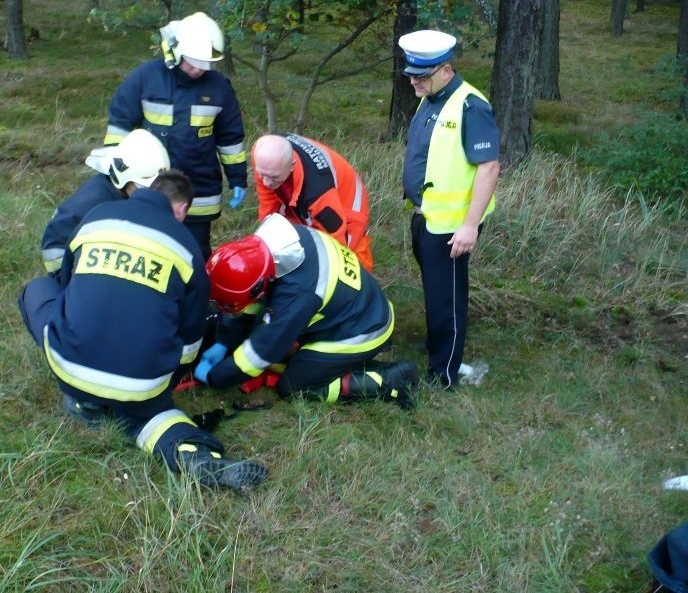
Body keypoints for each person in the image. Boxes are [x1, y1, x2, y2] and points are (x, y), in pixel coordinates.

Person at [17, 133, 267, 492]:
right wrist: (173, 373)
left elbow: (70, 287)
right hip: (141, 382)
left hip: (70, 365)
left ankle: (84, 402)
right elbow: (190, 335)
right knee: (150, 416)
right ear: (180, 209)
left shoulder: (96, 217)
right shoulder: (186, 248)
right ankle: (191, 453)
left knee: (36, 289)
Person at [194, 213, 419, 407]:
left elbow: (259, 353)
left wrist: (217, 377)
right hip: (353, 308)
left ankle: (388, 381)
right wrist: (224, 341)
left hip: (362, 329)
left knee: (295, 385)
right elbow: (253, 303)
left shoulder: (297, 292)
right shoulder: (271, 246)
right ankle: (336, 365)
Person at [398, 29, 501, 389]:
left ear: (446, 69)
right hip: (426, 217)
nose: (413, 81)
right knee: (435, 293)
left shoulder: (471, 105)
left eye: (421, 75)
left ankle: (444, 374)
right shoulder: (430, 99)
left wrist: (470, 225)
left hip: (452, 227)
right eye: (410, 74)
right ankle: (438, 350)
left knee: (448, 300)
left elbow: (488, 167)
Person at [103, 11, 247, 260]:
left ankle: (197, 296)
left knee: (195, 251)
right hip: (151, 182)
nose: (198, 70)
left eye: (205, 64)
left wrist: (238, 179)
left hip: (200, 186)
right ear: (175, 51)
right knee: (150, 246)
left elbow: (230, 138)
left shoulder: (218, 87)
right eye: (193, 62)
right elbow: (120, 127)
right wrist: (114, 174)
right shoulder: (145, 78)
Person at [40, 130, 170, 281]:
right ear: (122, 178)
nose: (151, 194)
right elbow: (54, 247)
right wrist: (69, 281)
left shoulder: (125, 196)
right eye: (144, 188)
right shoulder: (87, 205)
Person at [252, 133, 374, 271]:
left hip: (348, 206)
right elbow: (268, 200)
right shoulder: (264, 156)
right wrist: (265, 235)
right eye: (262, 174)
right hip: (312, 192)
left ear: (291, 166)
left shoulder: (318, 193)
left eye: (273, 177)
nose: (266, 182)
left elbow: (337, 241)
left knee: (347, 259)